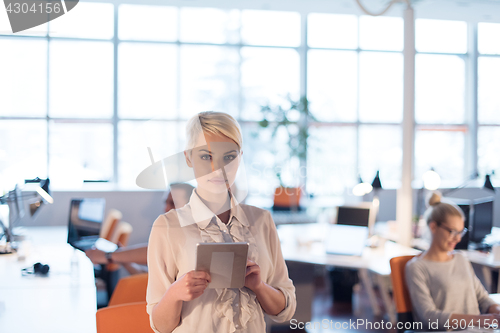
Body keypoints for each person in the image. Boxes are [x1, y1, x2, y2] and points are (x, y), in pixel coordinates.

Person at [146, 111, 296, 333]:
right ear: (188, 157)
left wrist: (259, 286)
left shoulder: (262, 221)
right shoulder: (167, 227)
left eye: (229, 157)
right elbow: (160, 326)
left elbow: (285, 309)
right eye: (206, 156)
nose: (219, 168)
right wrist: (176, 293)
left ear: (240, 158)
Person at [405, 191, 500, 331]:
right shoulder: (417, 267)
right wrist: (479, 320)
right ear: (433, 227)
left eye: (461, 232)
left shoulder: (460, 258)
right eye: (452, 231)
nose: (458, 238)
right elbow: (428, 317)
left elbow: (482, 298)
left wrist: (497, 311)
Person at [85, 183, 194, 275]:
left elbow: (159, 252)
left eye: (173, 203)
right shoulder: (172, 233)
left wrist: (109, 256)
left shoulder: (194, 235)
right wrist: (124, 260)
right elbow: (145, 274)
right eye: (165, 202)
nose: (166, 208)